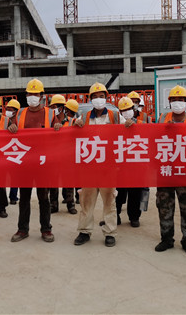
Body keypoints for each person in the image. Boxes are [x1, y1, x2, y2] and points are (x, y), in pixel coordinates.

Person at [9, 79, 56, 243]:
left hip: (43, 162)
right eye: (30, 94)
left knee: (44, 197)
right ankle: (22, 229)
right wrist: (11, 128)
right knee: (24, 197)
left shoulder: (50, 113)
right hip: (25, 162)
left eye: (35, 94)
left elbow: (60, 131)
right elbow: (11, 129)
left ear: (42, 96)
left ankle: (46, 229)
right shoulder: (20, 113)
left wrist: (58, 127)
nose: (32, 97)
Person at [74, 82, 119, 248]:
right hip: (89, 166)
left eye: (101, 96)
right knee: (86, 201)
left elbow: (129, 132)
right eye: (95, 96)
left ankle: (110, 232)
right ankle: (84, 231)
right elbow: (73, 133)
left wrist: (129, 124)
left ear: (106, 98)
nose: (98, 99)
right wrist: (76, 125)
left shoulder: (115, 116)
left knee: (109, 201)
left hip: (108, 167)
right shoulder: (85, 117)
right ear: (90, 99)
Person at [155, 86, 186, 255]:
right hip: (166, 170)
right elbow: (152, 139)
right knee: (164, 207)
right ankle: (166, 238)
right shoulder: (162, 118)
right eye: (174, 100)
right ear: (169, 102)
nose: (177, 103)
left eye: (180, 100)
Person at [115, 97, 143, 228]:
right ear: (120, 112)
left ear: (133, 109)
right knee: (117, 192)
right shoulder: (115, 124)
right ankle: (115, 215)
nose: (127, 112)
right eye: (123, 110)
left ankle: (134, 217)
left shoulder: (141, 122)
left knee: (135, 192)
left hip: (135, 163)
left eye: (129, 109)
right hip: (119, 163)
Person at [48, 94, 77, 215]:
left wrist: (80, 124)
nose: (53, 109)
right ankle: (53, 205)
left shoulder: (71, 121)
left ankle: (71, 204)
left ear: (62, 108)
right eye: (52, 107)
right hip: (53, 155)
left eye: (55, 107)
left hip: (67, 156)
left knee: (69, 182)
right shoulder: (49, 121)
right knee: (53, 182)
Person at [4, 99, 21, 206]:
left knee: (14, 177)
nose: (8, 112)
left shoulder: (20, 121)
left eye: (10, 110)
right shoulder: (4, 121)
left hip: (16, 152)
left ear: (16, 111)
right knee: (0, 176)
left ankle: (13, 197)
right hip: (5, 150)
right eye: (7, 109)